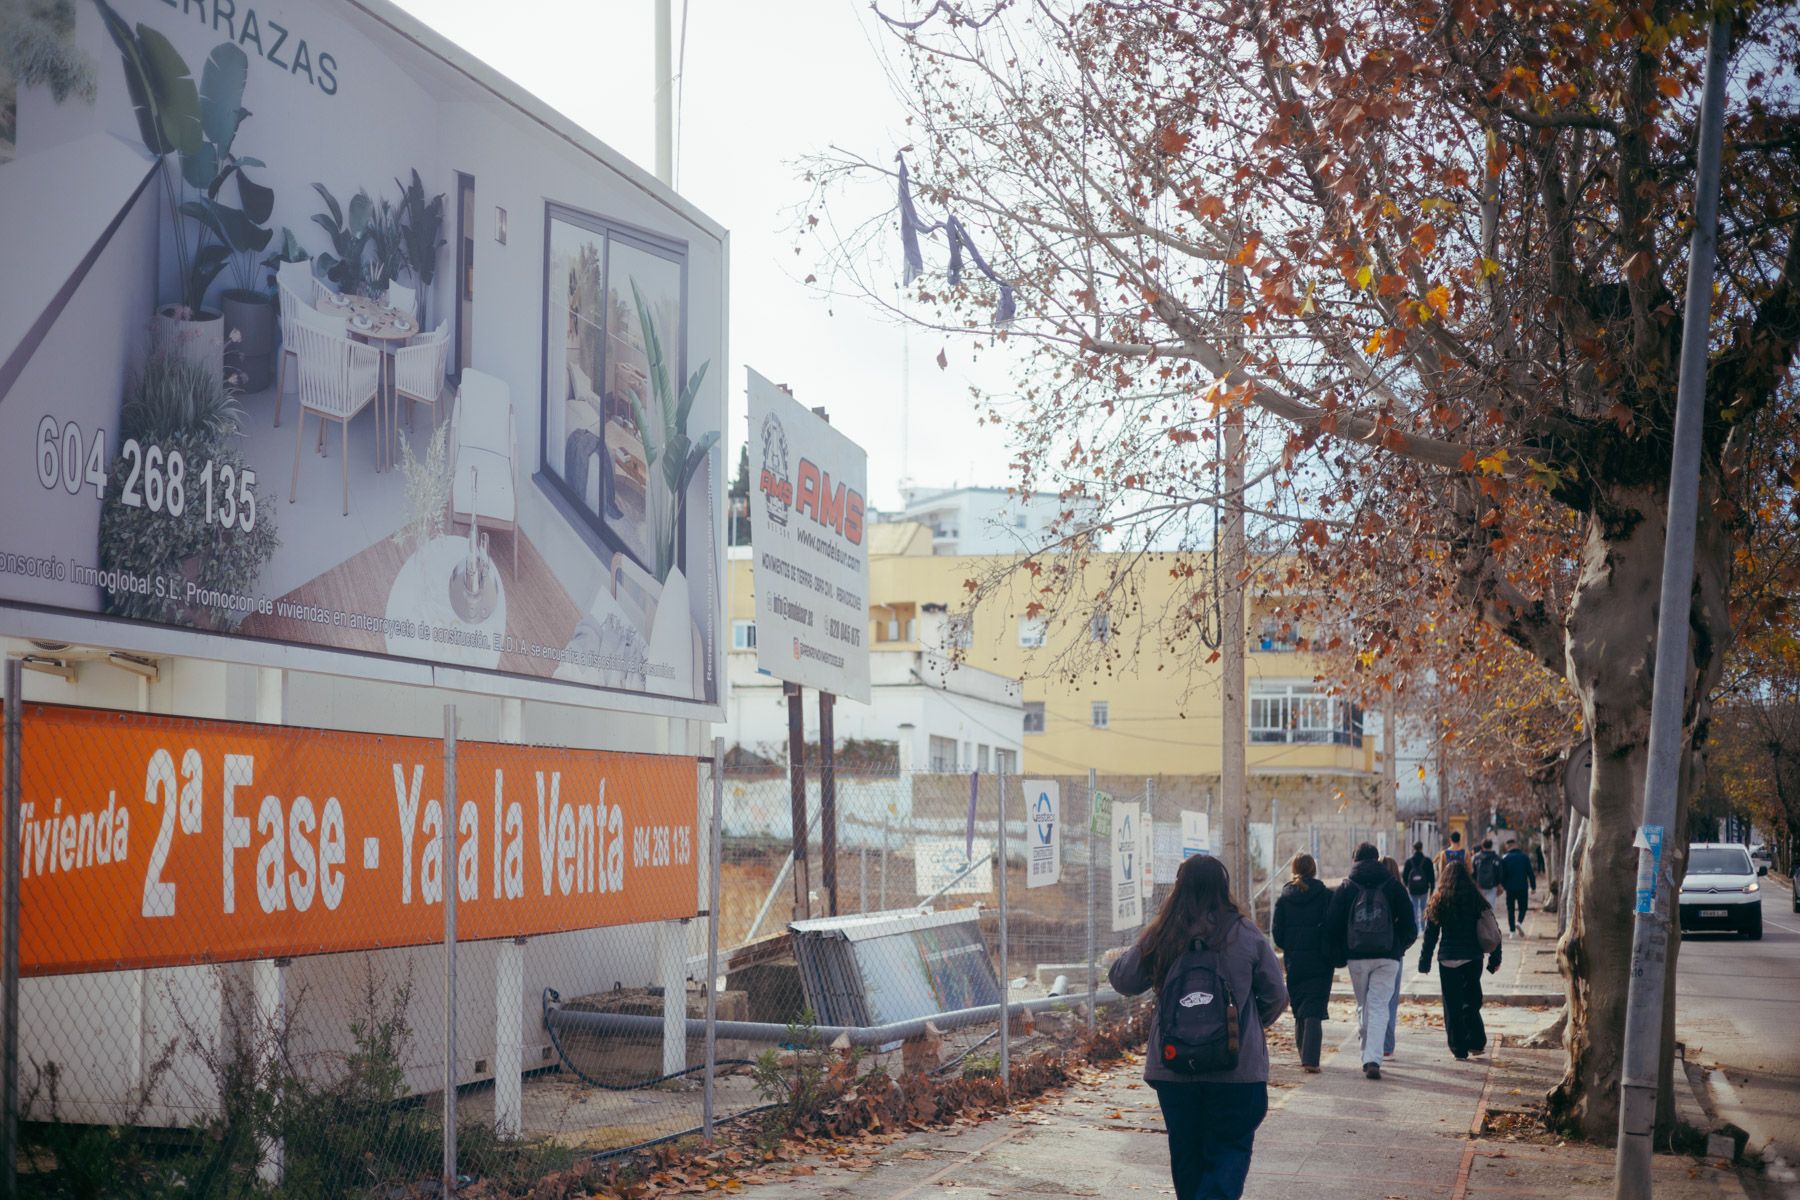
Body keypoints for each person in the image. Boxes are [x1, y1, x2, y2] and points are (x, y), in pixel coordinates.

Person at [1108, 854, 1288, 1200]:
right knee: (1230, 1149)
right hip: (1237, 1071)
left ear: (1178, 890)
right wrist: (1241, 1029)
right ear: (1224, 889)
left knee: (1186, 1156)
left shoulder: (1165, 934)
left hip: (1175, 1070)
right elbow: (1277, 994)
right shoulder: (1244, 932)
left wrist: (1152, 933)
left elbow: (1122, 978)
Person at [1325, 842, 1416, 1080]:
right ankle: (1372, 1057)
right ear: (1376, 859)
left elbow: (1332, 924)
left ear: (1355, 860)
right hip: (1388, 957)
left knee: (1364, 1005)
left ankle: (1368, 1055)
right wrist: (1398, 947)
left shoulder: (1346, 887)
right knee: (1378, 1006)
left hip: (1356, 957)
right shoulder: (1393, 886)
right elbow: (1410, 926)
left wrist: (1340, 953)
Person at [1417, 859, 1503, 1059]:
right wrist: (1494, 959)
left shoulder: (1439, 899)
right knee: (1471, 1001)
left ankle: (1459, 1048)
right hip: (1472, 959)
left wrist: (1424, 962)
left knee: (1452, 1004)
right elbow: (1493, 931)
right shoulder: (1476, 899)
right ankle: (1476, 1041)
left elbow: (1430, 935)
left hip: (1447, 960)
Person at [1272, 853, 1333, 1073]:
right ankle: (1310, 1059)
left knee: (1299, 1008)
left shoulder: (1284, 897)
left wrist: (1290, 945)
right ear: (1314, 870)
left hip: (1295, 960)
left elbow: (1277, 934)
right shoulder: (1326, 895)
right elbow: (1333, 926)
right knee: (1314, 1008)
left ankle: (1303, 1054)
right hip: (1321, 960)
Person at [1381, 856, 1406, 1059]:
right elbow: (1410, 925)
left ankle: (1371, 1041)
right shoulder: (1399, 890)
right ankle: (1387, 1044)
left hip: (1370, 950)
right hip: (1394, 952)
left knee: (1372, 1000)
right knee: (1391, 999)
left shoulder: (1374, 890)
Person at [1500, 840, 1537, 936]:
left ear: (1508, 846)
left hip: (1510, 888)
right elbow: (1530, 873)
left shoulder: (1505, 858)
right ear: (1516, 845)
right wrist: (1533, 887)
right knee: (1523, 907)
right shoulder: (1524, 857)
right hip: (1522, 887)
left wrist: (1502, 886)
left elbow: (1502, 875)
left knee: (1510, 909)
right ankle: (1519, 922)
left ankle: (1512, 931)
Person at [1402, 841, 1436, 934]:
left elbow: (1404, 876)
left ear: (1414, 849)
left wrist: (1407, 886)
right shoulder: (1427, 861)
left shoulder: (1409, 862)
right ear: (1421, 848)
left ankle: (1416, 928)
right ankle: (1423, 928)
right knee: (1423, 907)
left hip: (1412, 889)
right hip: (1424, 889)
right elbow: (1431, 876)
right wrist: (1432, 889)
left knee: (1414, 908)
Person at [1472, 837, 1504, 913]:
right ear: (1491, 846)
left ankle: (1481, 924)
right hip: (1492, 886)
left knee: (1480, 908)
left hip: (1479, 886)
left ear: (1482, 846)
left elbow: (1473, 872)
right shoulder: (1496, 858)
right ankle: (1489, 923)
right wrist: (1499, 884)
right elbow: (1500, 872)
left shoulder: (1476, 858)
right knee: (1490, 908)